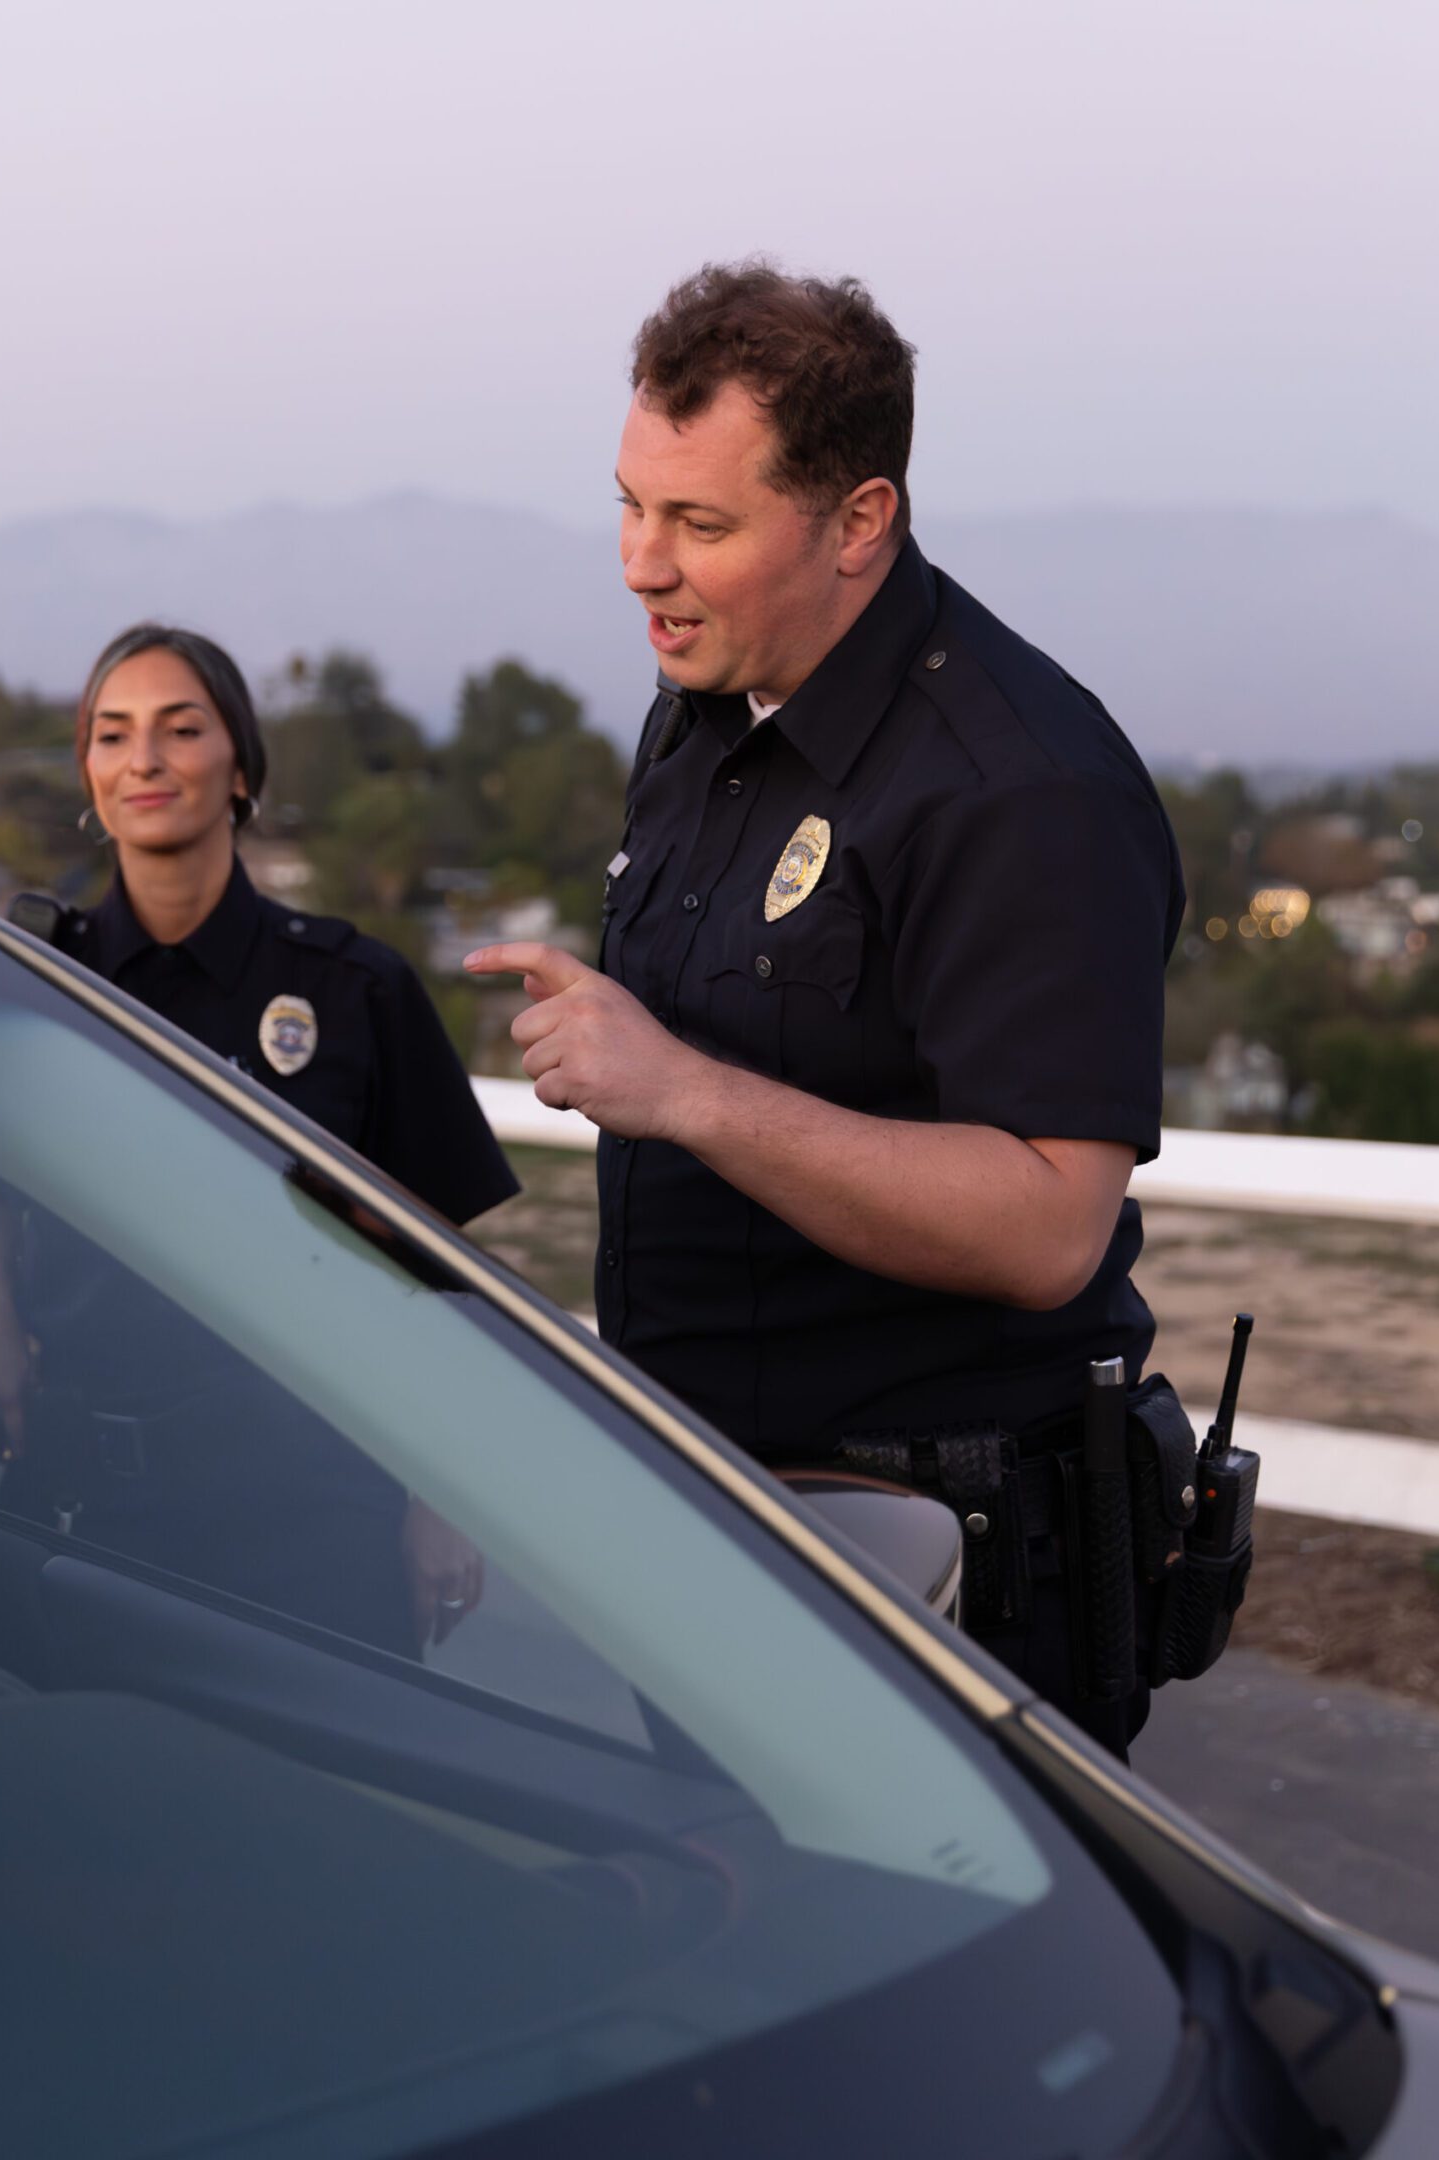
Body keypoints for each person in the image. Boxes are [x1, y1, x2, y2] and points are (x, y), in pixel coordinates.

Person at [464, 264, 1184, 1755]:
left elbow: (1050, 1225)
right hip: (725, 1531)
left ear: (858, 522)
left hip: (941, 1570)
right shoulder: (703, 711)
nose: (637, 566)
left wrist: (685, 1093)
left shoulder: (1016, 785)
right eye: (627, 505)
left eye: (699, 525)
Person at [0, 623, 518, 1656]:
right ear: (89, 775)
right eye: (111, 736)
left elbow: (438, 1268)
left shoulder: (351, 989)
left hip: (316, 1514)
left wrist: (442, 1493)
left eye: (179, 729)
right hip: (89, 1508)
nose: (142, 760)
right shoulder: (30, 987)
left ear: (240, 769)